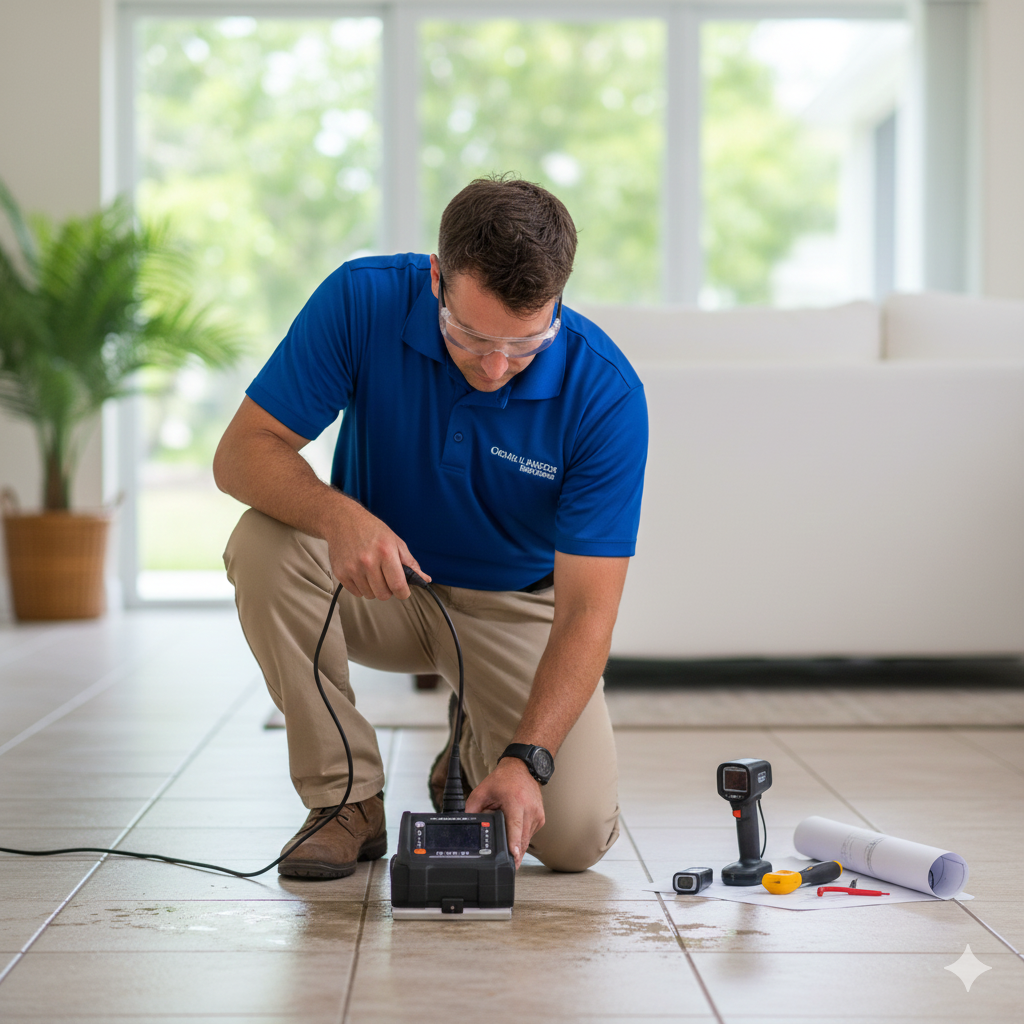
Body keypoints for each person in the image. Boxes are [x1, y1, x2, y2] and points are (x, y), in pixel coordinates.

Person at [214, 176, 647, 879]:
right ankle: (346, 801)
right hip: (379, 584)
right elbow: (240, 453)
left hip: (514, 608)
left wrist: (526, 759)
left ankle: (475, 744)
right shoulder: (363, 300)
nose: (497, 367)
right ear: (438, 280)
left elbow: (589, 611)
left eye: (526, 344)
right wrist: (338, 513)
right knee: (262, 545)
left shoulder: (606, 395)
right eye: (473, 338)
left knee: (572, 839)